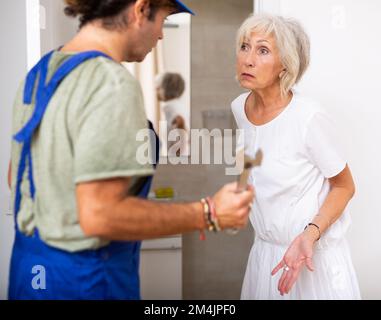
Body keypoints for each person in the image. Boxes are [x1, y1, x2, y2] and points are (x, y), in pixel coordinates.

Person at [7, 0, 254, 300]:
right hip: (85, 282)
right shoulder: (109, 82)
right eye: (163, 20)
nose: (162, 35)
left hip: (29, 273)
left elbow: (16, 177)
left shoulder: (39, 73)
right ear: (141, 9)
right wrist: (208, 212)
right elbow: (101, 215)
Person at [231, 13, 361, 299]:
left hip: (311, 260)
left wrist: (309, 235)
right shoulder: (240, 107)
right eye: (244, 46)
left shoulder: (308, 117)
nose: (248, 59)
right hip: (265, 256)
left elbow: (345, 186)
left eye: (263, 50)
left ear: (285, 65)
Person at [156, 72, 189, 156]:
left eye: (159, 87)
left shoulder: (173, 111)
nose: (156, 89)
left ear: (166, 89)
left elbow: (181, 144)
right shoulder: (177, 108)